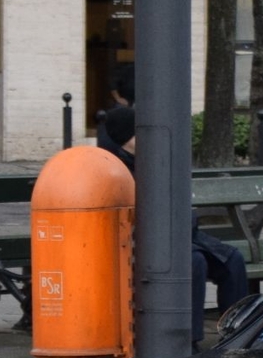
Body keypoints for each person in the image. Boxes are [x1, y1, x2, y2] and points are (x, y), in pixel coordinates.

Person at [98, 105, 251, 326]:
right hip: (148, 241)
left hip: (179, 235)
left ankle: (237, 331)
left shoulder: (153, 160)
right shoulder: (116, 168)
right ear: (126, 137)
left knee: (232, 259)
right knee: (194, 262)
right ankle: (188, 338)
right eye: (138, 131)